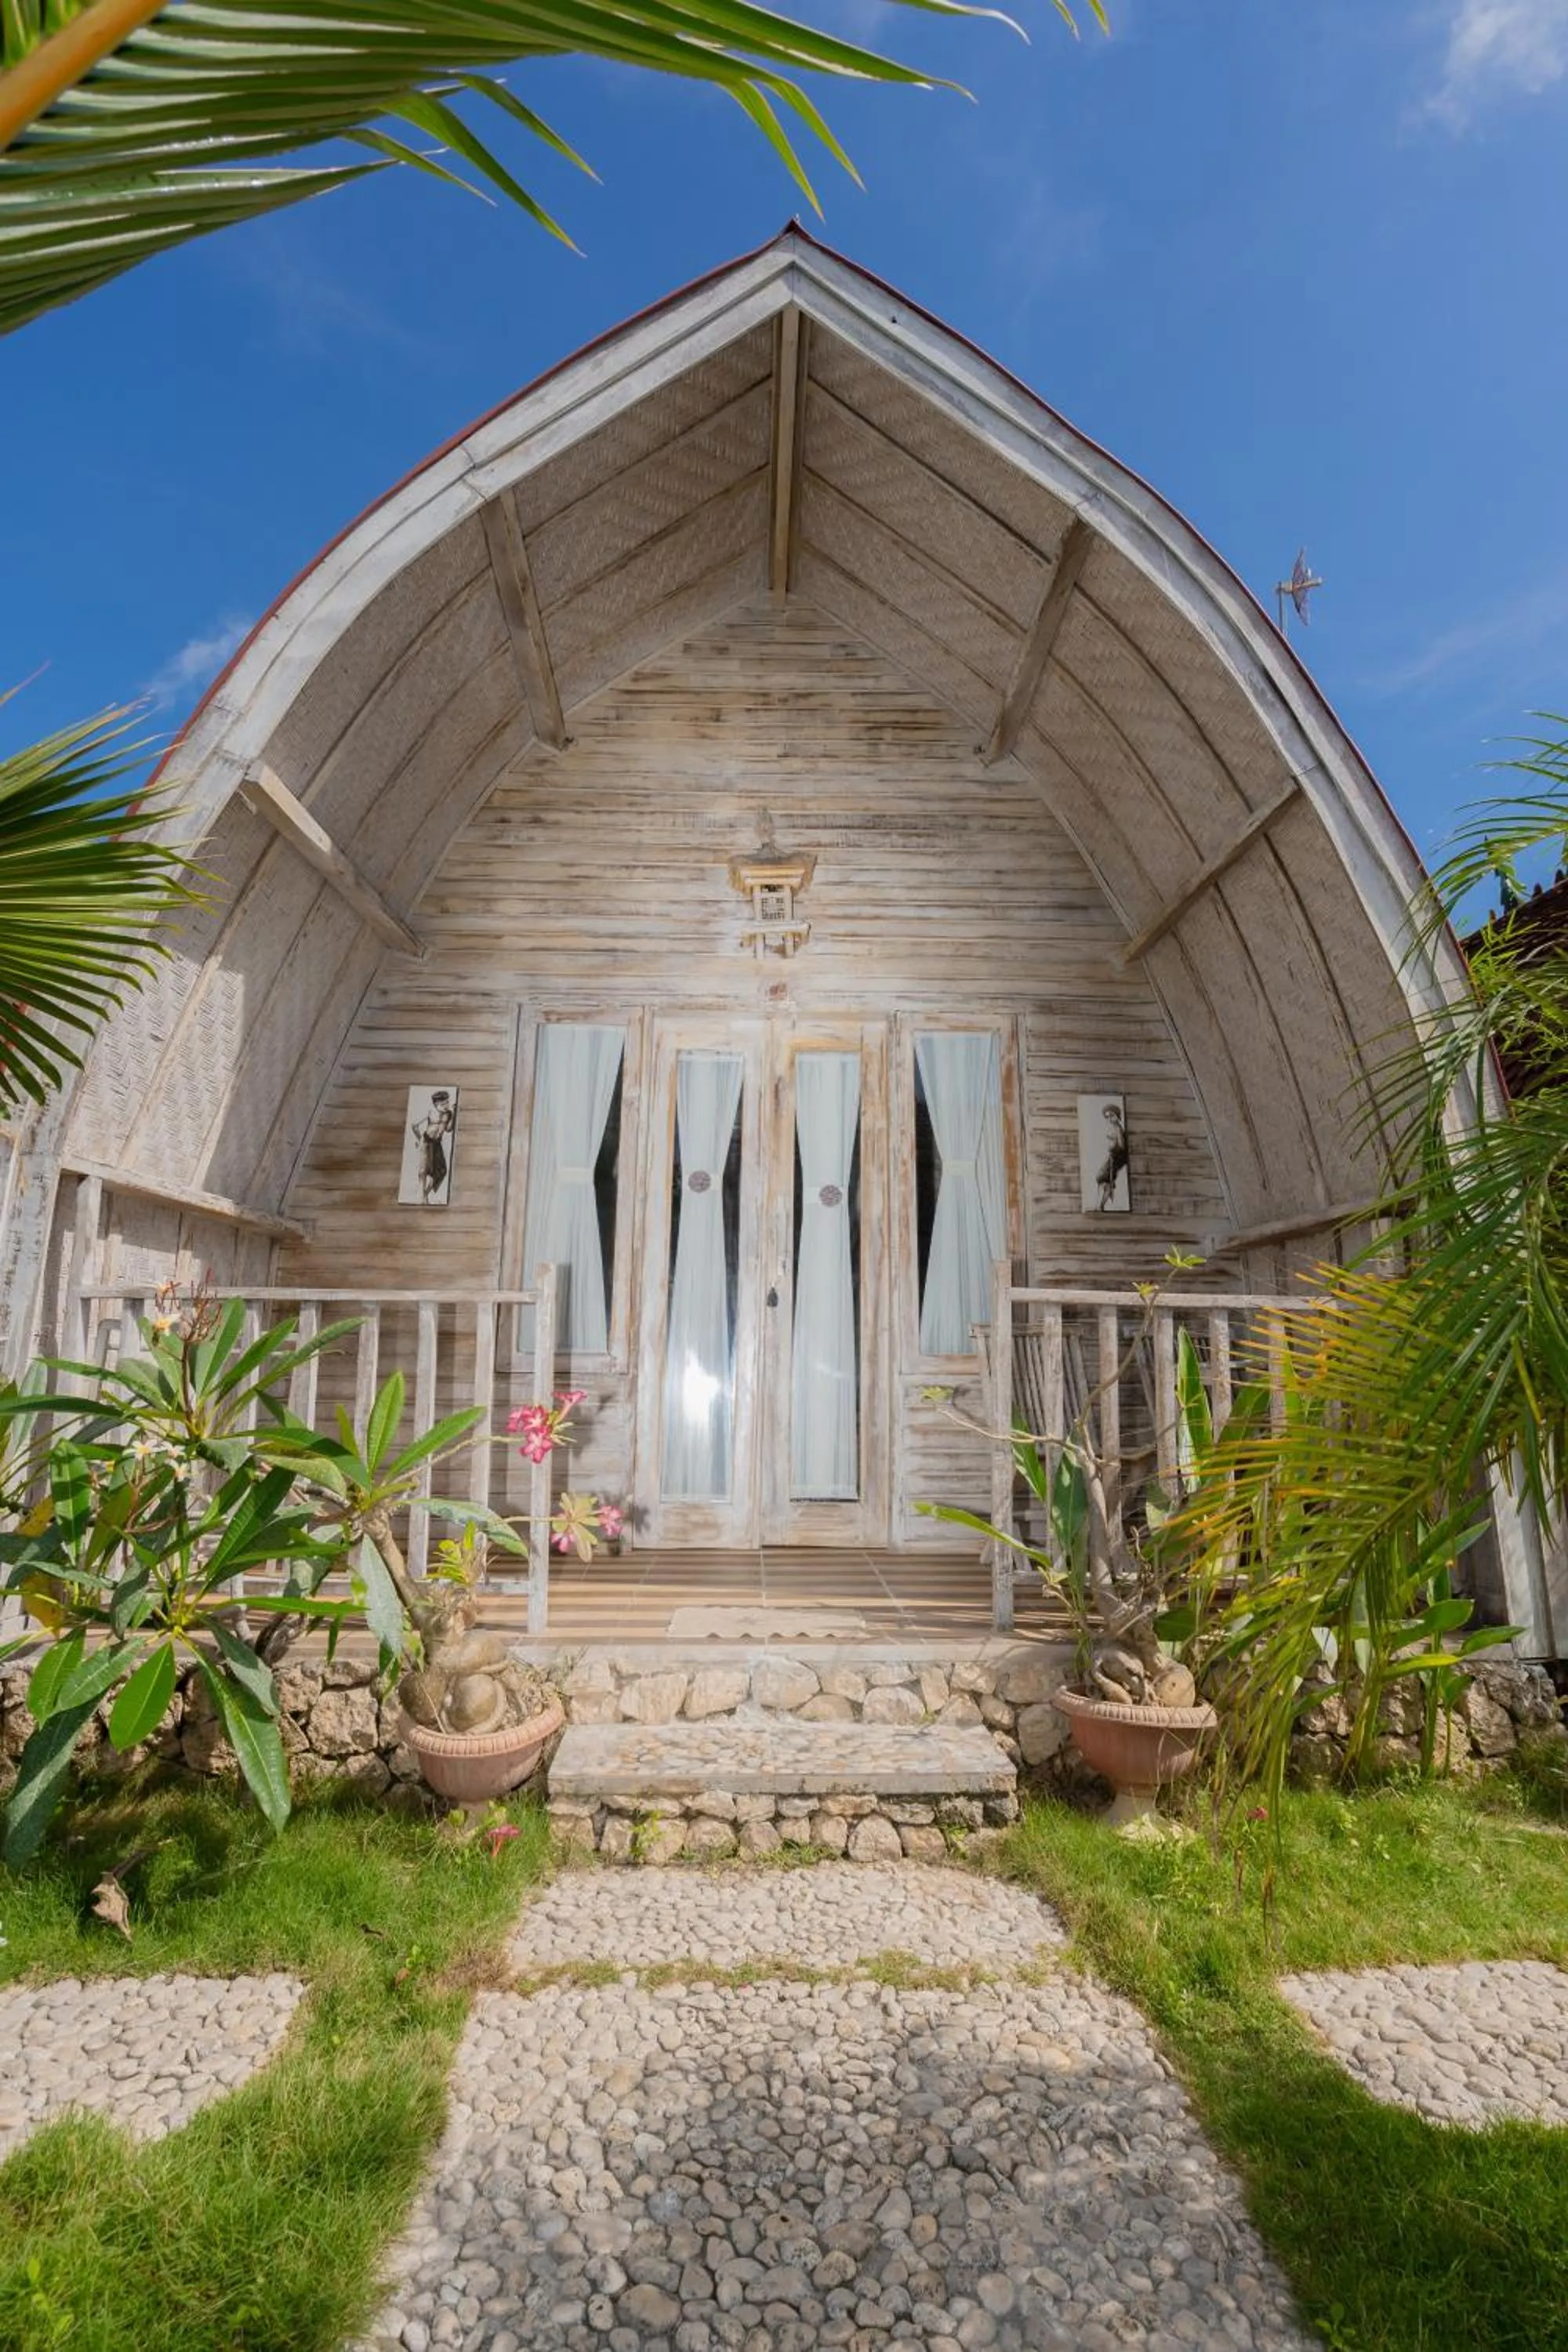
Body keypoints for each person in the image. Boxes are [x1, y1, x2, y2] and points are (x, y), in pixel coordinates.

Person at [412, 1090, 456, 1204]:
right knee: (423, 1171)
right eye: (443, 1104)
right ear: (436, 1104)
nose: (446, 1106)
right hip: (426, 1142)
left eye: (447, 1103)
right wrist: (420, 1140)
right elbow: (414, 1126)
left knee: (441, 1171)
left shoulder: (449, 1113)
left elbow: (448, 1129)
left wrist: (454, 1113)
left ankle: (425, 1195)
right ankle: (421, 1199)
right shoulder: (430, 1112)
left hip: (437, 1144)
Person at [1094, 1101, 1128, 1211]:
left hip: (1117, 1157)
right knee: (1102, 1177)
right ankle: (1100, 1204)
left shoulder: (1118, 1128)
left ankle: (1101, 1205)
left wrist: (1113, 1145)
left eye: (1112, 1116)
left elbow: (1122, 1146)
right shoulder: (1113, 1128)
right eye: (1107, 1117)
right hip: (1113, 1156)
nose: (1109, 1119)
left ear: (1117, 1116)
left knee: (1104, 1178)